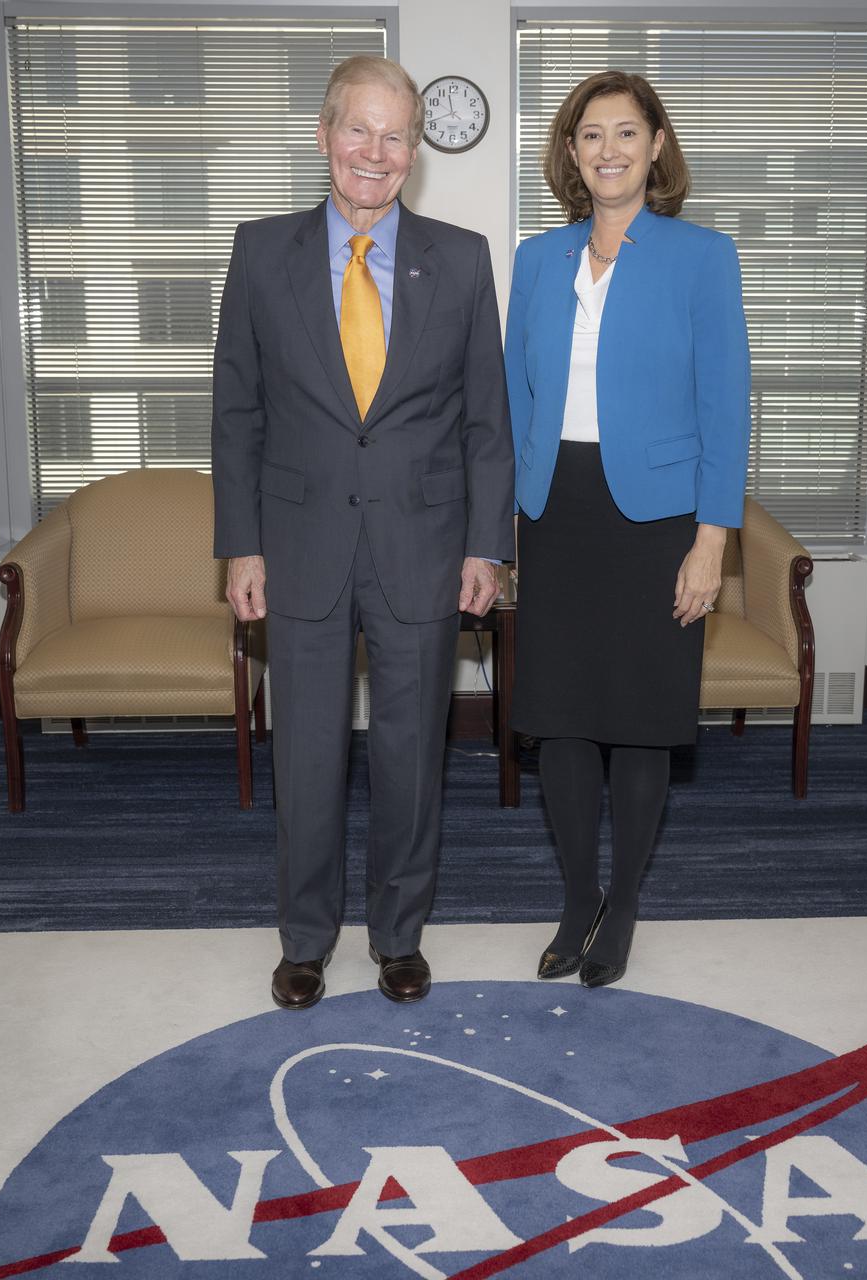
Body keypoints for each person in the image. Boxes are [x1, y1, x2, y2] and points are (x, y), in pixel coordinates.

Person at [212, 56, 515, 1010]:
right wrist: (240, 544)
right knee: (304, 753)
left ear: (414, 152)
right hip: (296, 547)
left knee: (408, 753)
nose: (375, 154)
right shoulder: (260, 253)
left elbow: (485, 422)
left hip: (424, 548)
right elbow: (237, 414)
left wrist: (486, 547)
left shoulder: (461, 259)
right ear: (324, 135)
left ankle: (399, 936)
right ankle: (305, 940)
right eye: (359, 131)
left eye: (395, 137)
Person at [505, 70, 751, 988]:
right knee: (561, 721)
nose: (607, 150)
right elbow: (513, 395)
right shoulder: (536, 259)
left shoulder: (702, 257)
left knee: (642, 721)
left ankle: (627, 903)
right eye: (589, 135)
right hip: (556, 510)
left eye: (625, 133)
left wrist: (713, 538)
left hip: (659, 519)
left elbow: (727, 406)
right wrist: (504, 527)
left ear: (656, 147)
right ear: (570, 153)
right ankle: (578, 900)